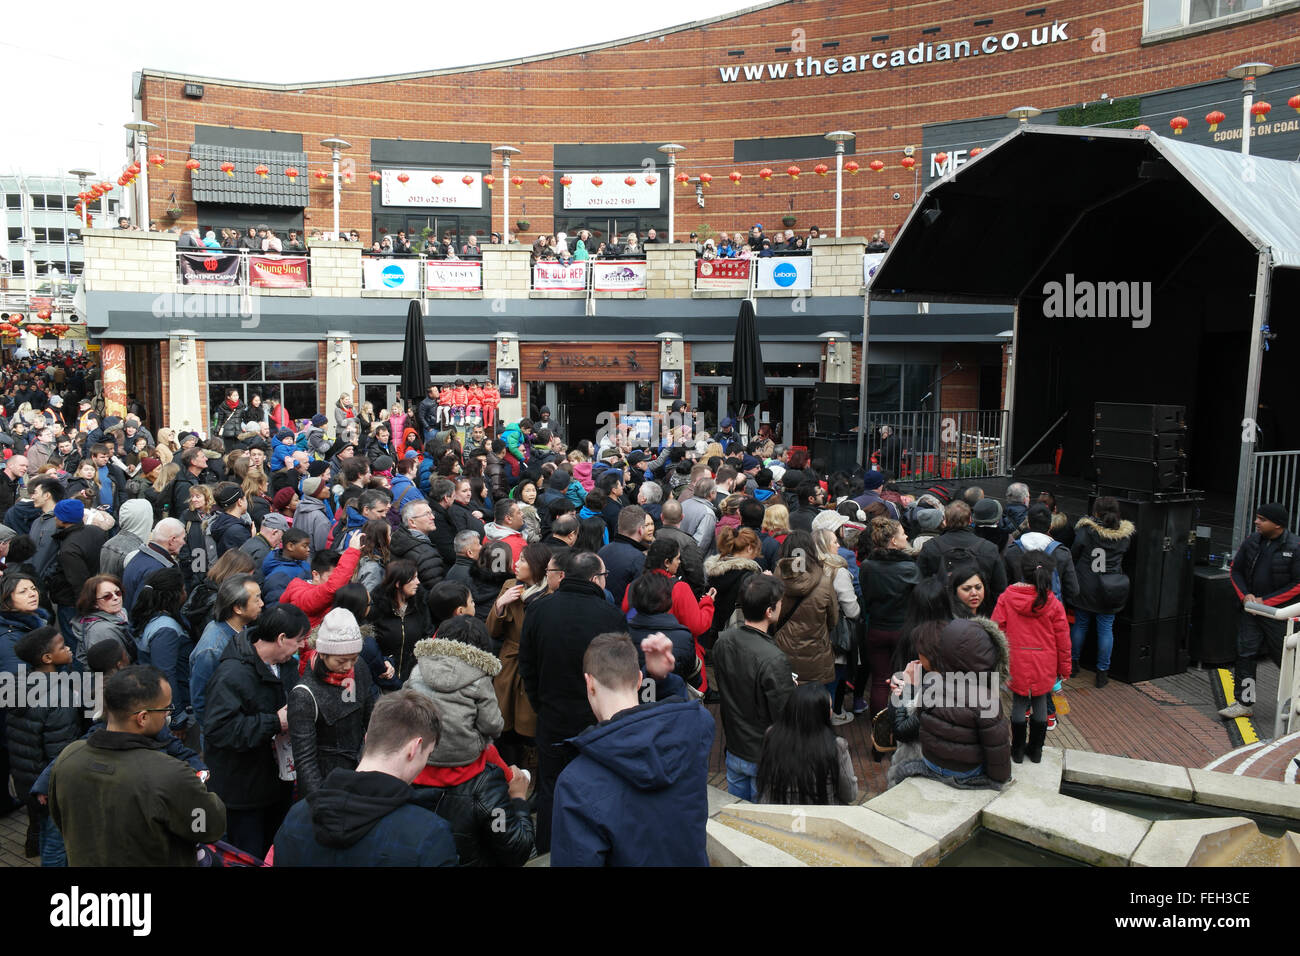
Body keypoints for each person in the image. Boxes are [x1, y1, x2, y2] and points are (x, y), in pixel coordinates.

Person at [550, 632, 714, 866]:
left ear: (590, 683)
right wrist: (663, 680)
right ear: (639, 680)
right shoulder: (695, 733)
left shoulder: (575, 783)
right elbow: (690, 716)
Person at [518, 550, 628, 853]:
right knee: (598, 786)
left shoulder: (539, 611)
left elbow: (526, 665)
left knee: (551, 788)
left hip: (552, 716)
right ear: (595, 578)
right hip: (597, 721)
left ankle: (548, 852)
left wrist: (541, 703)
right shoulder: (610, 615)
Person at [272, 690, 458, 867]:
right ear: (415, 748)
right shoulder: (429, 835)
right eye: (428, 754)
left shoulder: (296, 816)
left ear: (368, 738)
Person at [203, 603, 307, 858]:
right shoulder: (232, 674)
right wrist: (275, 722)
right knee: (248, 856)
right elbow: (219, 729)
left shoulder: (287, 666)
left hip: (277, 784)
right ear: (281, 639)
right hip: (243, 793)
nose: (302, 646)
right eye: (299, 640)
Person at [710, 575, 796, 801]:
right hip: (762, 755)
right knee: (761, 821)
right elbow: (784, 714)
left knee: (738, 815)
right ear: (769, 611)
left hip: (735, 747)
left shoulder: (723, 642)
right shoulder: (773, 658)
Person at [1218, 502, 1300, 720]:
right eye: (1257, 517)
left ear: (1278, 525)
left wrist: (1268, 602)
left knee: (1288, 659)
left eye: (1262, 519)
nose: (1256, 522)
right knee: (1245, 655)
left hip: (1280, 615)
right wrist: (1246, 596)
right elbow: (1235, 570)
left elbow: (1299, 584)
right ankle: (1244, 703)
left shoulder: (1295, 546)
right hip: (1251, 612)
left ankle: (1297, 702)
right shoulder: (1252, 541)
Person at [6, 626, 79, 865]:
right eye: (62, 646)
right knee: (58, 842)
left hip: (28, 778)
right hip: (50, 785)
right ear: (47, 658)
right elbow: (61, 750)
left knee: (46, 832)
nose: (68, 648)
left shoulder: (18, 683)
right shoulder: (60, 695)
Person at [993, 550, 1072, 763]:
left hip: (1016, 660)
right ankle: (1036, 750)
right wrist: (1064, 668)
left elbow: (996, 630)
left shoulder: (1007, 598)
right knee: (1039, 703)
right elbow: (1063, 639)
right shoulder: (1053, 603)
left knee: (1019, 704)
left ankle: (1017, 750)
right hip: (1045, 662)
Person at [288, 607, 375, 799]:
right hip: (327, 781)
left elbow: (372, 718)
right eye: (341, 661)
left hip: (361, 770)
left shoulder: (358, 668)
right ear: (322, 654)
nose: (348, 667)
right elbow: (305, 761)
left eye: (354, 659)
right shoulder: (304, 695)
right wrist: (320, 802)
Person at [1069, 496, 1135, 687]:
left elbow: (1074, 553)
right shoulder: (1124, 536)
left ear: (1096, 513)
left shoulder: (1086, 530)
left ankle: (1073, 665)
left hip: (1086, 585)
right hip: (1111, 589)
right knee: (1106, 629)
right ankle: (1102, 673)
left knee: (1080, 624)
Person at [755, 683, 858, 805]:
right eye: (829, 708)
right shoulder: (836, 746)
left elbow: (763, 780)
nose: (831, 712)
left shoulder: (772, 735)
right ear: (821, 714)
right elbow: (850, 794)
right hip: (820, 816)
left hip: (780, 813)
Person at [858, 517, 920, 717]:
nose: (906, 536)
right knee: (904, 679)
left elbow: (865, 595)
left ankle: (878, 730)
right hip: (903, 630)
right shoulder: (910, 568)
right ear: (893, 540)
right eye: (902, 533)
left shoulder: (867, 566)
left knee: (879, 681)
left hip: (876, 628)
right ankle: (901, 725)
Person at [189, 574, 264, 727]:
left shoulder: (242, 628)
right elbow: (201, 699)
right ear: (238, 608)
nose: (262, 604)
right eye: (256, 600)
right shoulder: (213, 649)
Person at [917, 500, 1007, 615]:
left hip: (941, 613)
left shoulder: (930, 547)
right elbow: (999, 588)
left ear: (945, 520)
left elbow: (921, 585)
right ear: (970, 520)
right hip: (980, 613)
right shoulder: (989, 548)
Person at [773, 530, 838, 687]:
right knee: (814, 703)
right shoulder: (824, 582)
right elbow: (833, 619)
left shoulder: (775, 581)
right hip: (816, 652)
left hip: (782, 651)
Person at [71, 573, 135, 669]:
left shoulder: (120, 614)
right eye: (107, 596)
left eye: (118, 592)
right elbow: (115, 669)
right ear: (94, 604)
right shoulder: (103, 631)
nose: (116, 597)